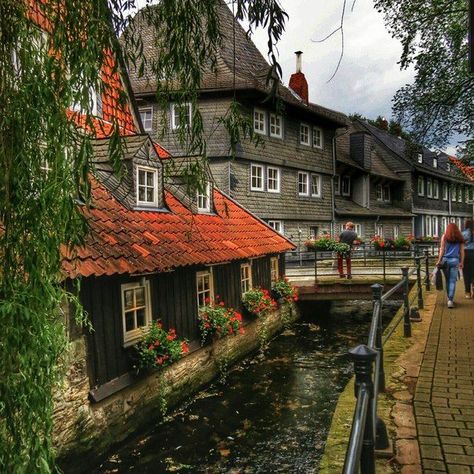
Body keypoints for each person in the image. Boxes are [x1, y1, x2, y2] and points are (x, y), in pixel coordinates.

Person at [436, 223, 465, 308]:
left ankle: (449, 299)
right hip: (455, 261)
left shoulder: (444, 237)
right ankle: (450, 300)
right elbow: (462, 252)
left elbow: (442, 249)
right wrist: (462, 262)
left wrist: (439, 260)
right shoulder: (460, 238)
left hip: (445, 261)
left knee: (447, 280)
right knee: (452, 281)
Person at [462, 219, 474, 298]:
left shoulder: (463, 234)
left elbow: (460, 246)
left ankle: (468, 292)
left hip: (466, 254)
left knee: (466, 273)